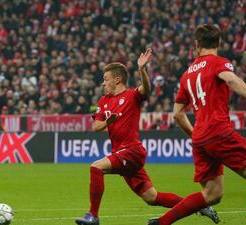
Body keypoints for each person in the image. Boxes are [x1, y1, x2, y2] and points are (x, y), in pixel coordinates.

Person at [75, 49, 219, 225]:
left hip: (132, 151)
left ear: (117, 79)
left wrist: (142, 70)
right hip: (122, 154)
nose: (103, 83)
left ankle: (93, 216)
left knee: (96, 167)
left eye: (106, 79)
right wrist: (108, 122)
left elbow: (146, 88)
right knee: (152, 197)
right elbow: (96, 127)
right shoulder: (103, 101)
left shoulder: (131, 96)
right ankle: (198, 206)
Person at [147, 24, 246, 225]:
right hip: (219, 131)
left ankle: (161, 223)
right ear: (218, 43)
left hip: (200, 138)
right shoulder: (219, 63)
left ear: (197, 45)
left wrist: (195, 135)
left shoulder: (186, 75)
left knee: (212, 194)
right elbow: (231, 80)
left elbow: (177, 115)